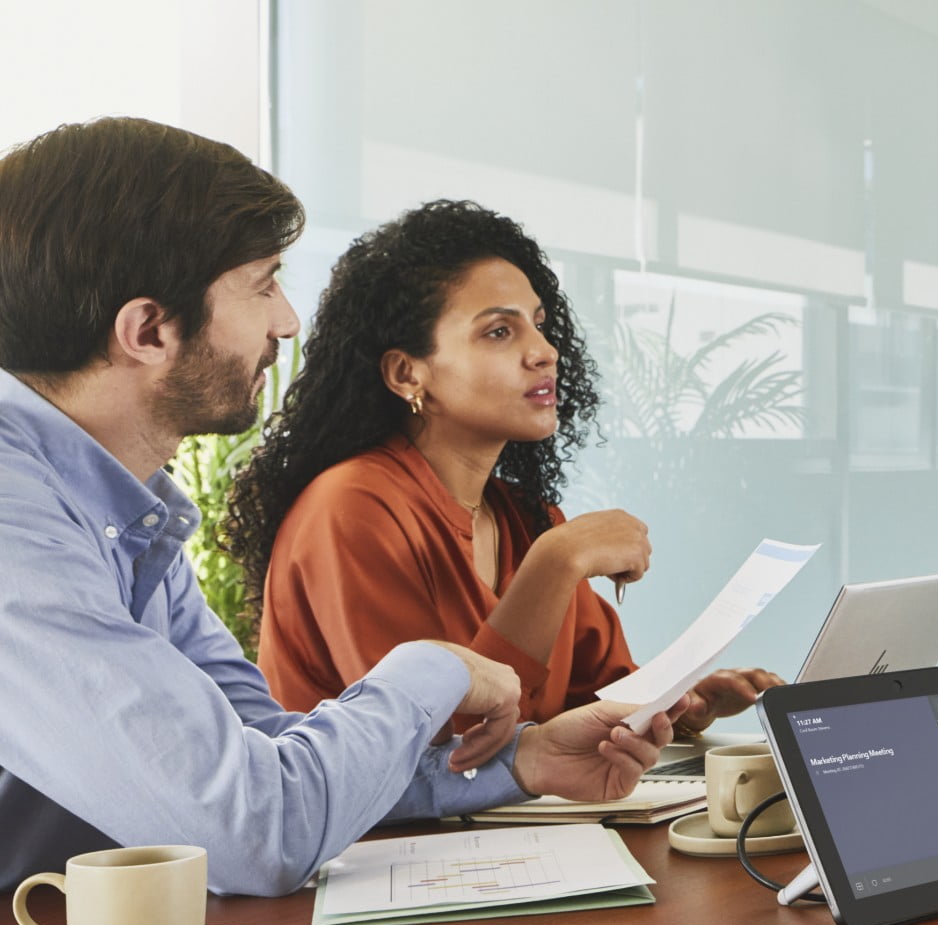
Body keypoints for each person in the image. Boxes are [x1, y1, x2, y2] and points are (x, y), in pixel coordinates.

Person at [0, 118, 680, 897]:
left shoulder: (131, 513)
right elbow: (257, 830)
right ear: (150, 330)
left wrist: (524, 762)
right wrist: (435, 667)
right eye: (263, 285)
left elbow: (274, 756)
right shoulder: (14, 525)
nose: (287, 322)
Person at [227, 201, 781, 733]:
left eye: (538, 325)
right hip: (392, 833)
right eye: (499, 331)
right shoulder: (351, 506)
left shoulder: (526, 518)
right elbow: (446, 740)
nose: (545, 351)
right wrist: (557, 562)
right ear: (406, 374)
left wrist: (680, 704)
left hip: (522, 829)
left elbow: (596, 699)